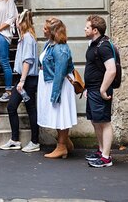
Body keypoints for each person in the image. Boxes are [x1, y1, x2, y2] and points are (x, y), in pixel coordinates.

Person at [0, 9, 40, 153]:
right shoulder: (24, 38)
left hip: (27, 79)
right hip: (24, 79)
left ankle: (34, 141)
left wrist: (22, 81)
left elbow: (27, 61)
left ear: (22, 22)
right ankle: (15, 140)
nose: (15, 23)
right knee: (13, 107)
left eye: (17, 20)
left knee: (30, 109)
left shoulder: (28, 38)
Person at [37, 17, 77, 159]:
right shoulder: (50, 44)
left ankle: (61, 147)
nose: (43, 30)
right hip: (50, 83)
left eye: (46, 29)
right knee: (56, 114)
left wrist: (55, 94)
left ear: (53, 32)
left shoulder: (60, 49)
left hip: (58, 85)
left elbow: (59, 74)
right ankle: (66, 143)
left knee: (61, 114)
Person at [83, 15, 117, 168]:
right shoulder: (94, 45)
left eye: (87, 27)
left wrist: (103, 89)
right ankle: (101, 150)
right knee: (95, 121)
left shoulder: (104, 46)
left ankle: (106, 158)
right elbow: (94, 68)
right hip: (92, 89)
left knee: (104, 122)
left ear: (95, 30)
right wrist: (86, 87)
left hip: (100, 90)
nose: (84, 29)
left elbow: (111, 70)